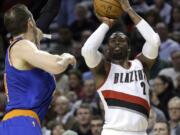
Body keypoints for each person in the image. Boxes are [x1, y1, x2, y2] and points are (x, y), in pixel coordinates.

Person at [81, 0, 160, 135]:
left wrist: (129, 10)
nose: (117, 42)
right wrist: (106, 24)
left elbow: (154, 40)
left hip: (141, 132)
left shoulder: (142, 64)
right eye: (112, 40)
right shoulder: (103, 70)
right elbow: (87, 50)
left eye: (121, 40)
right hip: (114, 131)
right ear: (107, 49)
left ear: (129, 48)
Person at [0, 4, 76, 135]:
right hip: (22, 123)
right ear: (30, 22)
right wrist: (66, 57)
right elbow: (57, 66)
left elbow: (50, 11)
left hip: (17, 124)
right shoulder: (22, 45)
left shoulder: (22, 49)